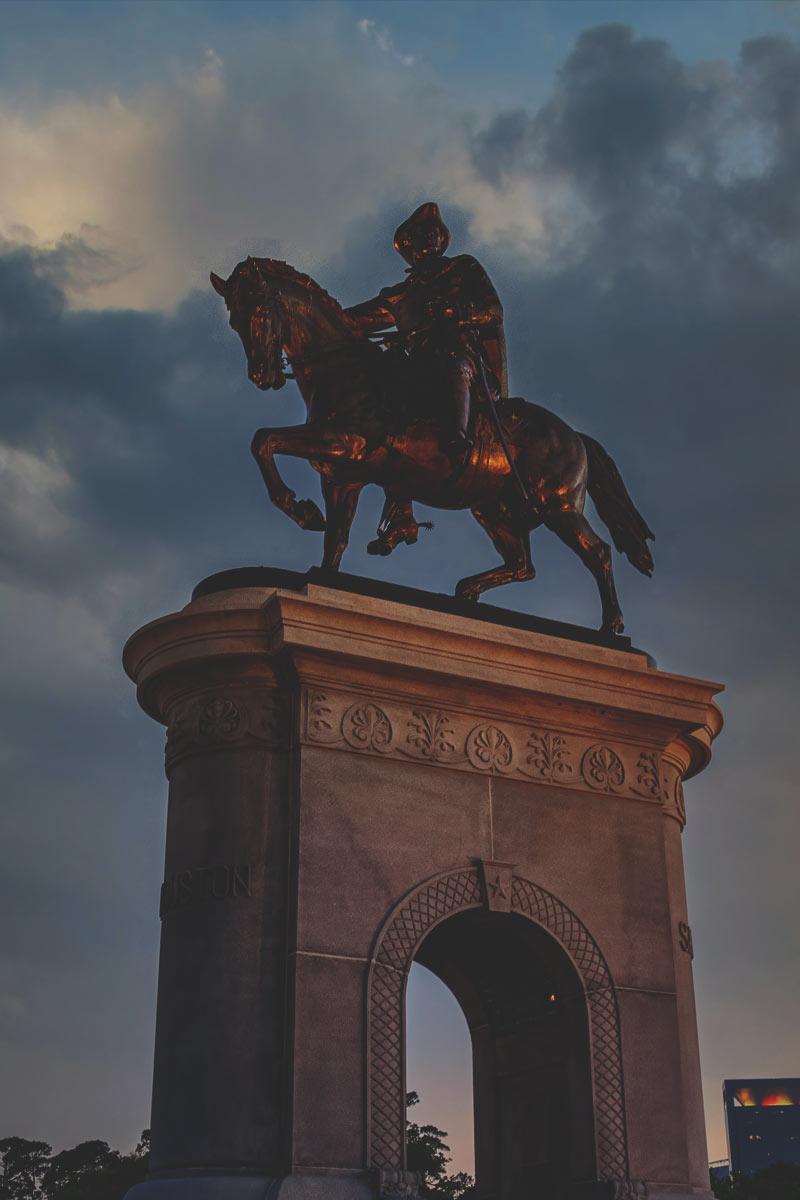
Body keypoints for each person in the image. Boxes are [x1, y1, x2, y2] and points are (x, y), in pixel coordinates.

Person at [346, 202, 508, 470]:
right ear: (410, 245)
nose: (432, 237)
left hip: (462, 356)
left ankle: (457, 439)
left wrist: (456, 312)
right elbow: (352, 321)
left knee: (452, 365)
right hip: (417, 361)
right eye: (423, 233)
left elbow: (494, 311)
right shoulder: (399, 294)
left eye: (435, 233)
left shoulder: (463, 268)